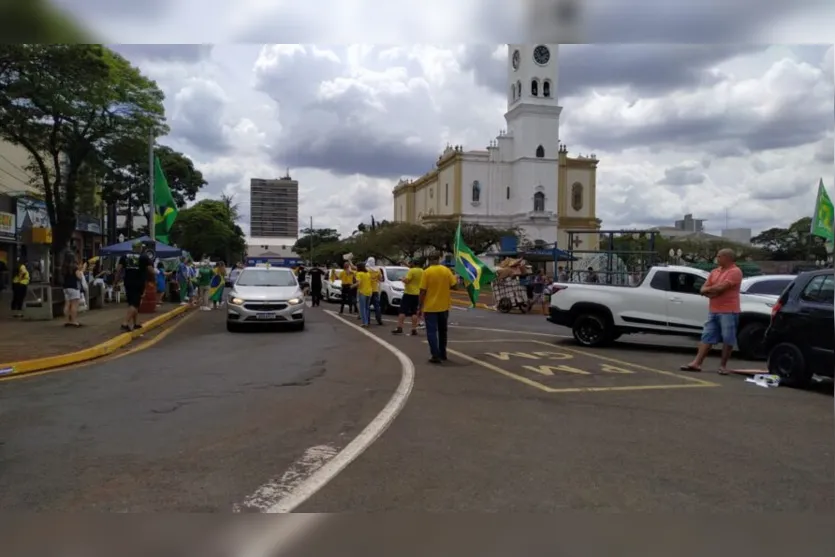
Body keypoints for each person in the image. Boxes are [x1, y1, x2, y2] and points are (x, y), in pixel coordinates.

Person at [681, 248, 743, 374]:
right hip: (714, 310)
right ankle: (696, 363)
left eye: (719, 256)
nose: (717, 259)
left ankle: (723, 366)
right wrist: (710, 291)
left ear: (727, 257)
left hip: (729, 311)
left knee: (728, 338)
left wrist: (709, 290)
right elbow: (703, 288)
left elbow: (721, 287)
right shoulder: (715, 271)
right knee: (707, 336)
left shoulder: (735, 271)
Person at [418, 253, 457, 364]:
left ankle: (435, 355)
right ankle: (443, 354)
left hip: (430, 307)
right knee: (443, 331)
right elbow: (454, 286)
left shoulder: (426, 272)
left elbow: (422, 291)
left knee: (431, 332)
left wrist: (419, 306)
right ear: (439, 259)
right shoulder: (446, 270)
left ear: (429, 260)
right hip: (444, 307)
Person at [117, 240, 153, 331]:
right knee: (135, 304)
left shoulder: (124, 256)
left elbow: (118, 270)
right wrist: (152, 279)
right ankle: (125, 323)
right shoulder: (144, 257)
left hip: (128, 282)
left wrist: (115, 281)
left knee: (132, 303)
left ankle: (135, 323)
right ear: (140, 247)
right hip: (139, 283)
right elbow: (151, 270)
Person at [392, 259, 423, 336]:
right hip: (417, 293)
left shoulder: (411, 271)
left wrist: (401, 279)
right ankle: (414, 329)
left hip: (408, 293)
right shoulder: (422, 271)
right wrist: (404, 263)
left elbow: (407, 280)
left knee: (402, 311)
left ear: (413, 264)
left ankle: (399, 327)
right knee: (414, 312)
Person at [60, 251, 83, 327]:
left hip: (66, 288)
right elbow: (79, 277)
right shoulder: (74, 268)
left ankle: (67, 320)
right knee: (74, 304)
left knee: (67, 304)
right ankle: (73, 321)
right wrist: (81, 271)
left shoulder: (64, 267)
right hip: (73, 287)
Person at [366, 257, 383, 325]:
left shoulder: (367, 269)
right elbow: (380, 279)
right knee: (377, 306)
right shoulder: (378, 270)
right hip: (375, 290)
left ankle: (368, 320)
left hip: (368, 290)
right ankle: (379, 319)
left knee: (367, 306)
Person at [354, 262, 372, 327]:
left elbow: (358, 283)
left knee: (362, 308)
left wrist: (352, 286)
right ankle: (367, 321)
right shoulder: (368, 273)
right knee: (367, 307)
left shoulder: (359, 274)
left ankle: (364, 322)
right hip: (369, 292)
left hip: (362, 292)